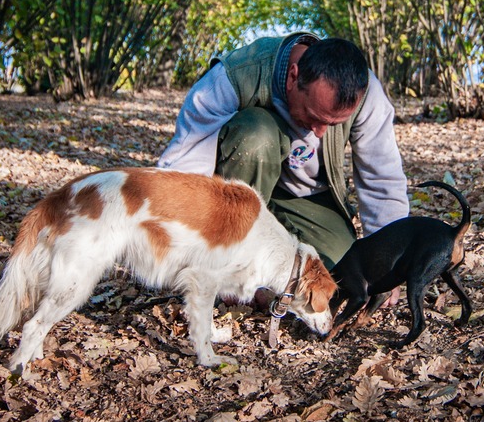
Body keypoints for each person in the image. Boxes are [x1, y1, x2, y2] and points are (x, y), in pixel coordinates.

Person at [158, 32, 408, 306]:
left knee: (339, 274)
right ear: (292, 76)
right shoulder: (236, 75)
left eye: (332, 125)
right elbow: (186, 162)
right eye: (315, 117)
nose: (320, 132)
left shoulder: (367, 94)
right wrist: (180, 244)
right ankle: (229, 262)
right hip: (240, 188)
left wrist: (388, 263)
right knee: (256, 135)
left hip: (307, 198)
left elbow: (381, 176)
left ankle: (265, 276)